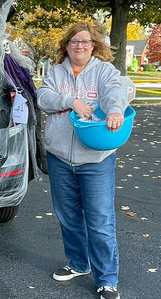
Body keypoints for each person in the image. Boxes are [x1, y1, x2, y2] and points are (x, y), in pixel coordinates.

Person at [36, 22, 127, 299]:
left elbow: (115, 91)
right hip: (60, 156)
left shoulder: (103, 71)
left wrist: (115, 111)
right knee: (69, 217)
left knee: (99, 220)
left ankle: (107, 279)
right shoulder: (56, 71)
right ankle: (78, 263)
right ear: (66, 45)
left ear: (94, 45)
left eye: (85, 42)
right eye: (74, 41)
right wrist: (71, 100)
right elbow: (43, 97)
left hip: (95, 158)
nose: (79, 46)